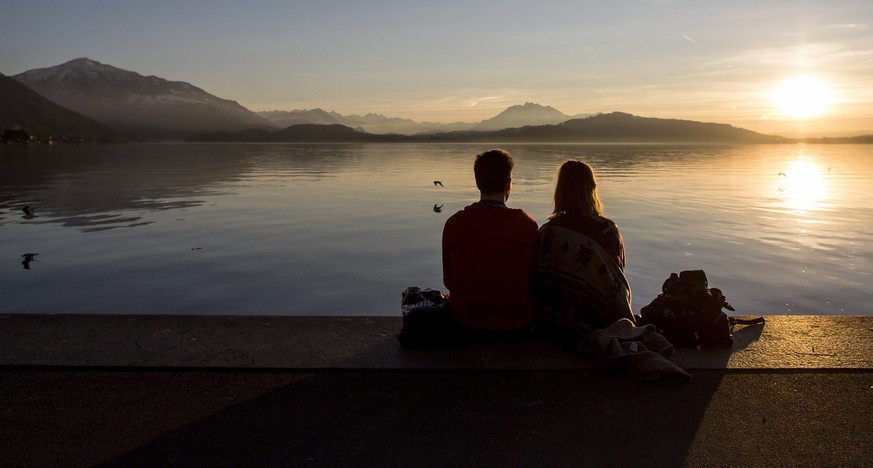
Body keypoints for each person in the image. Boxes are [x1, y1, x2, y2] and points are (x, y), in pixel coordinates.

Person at [533, 160, 634, 345]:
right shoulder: (608, 231)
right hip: (600, 320)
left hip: (551, 322)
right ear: (592, 188)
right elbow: (616, 277)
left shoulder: (548, 231)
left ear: (560, 191)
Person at [442, 149, 539, 334]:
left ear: (478, 183)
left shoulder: (456, 223)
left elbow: (449, 280)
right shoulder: (528, 226)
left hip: (465, 319)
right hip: (519, 321)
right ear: (508, 184)